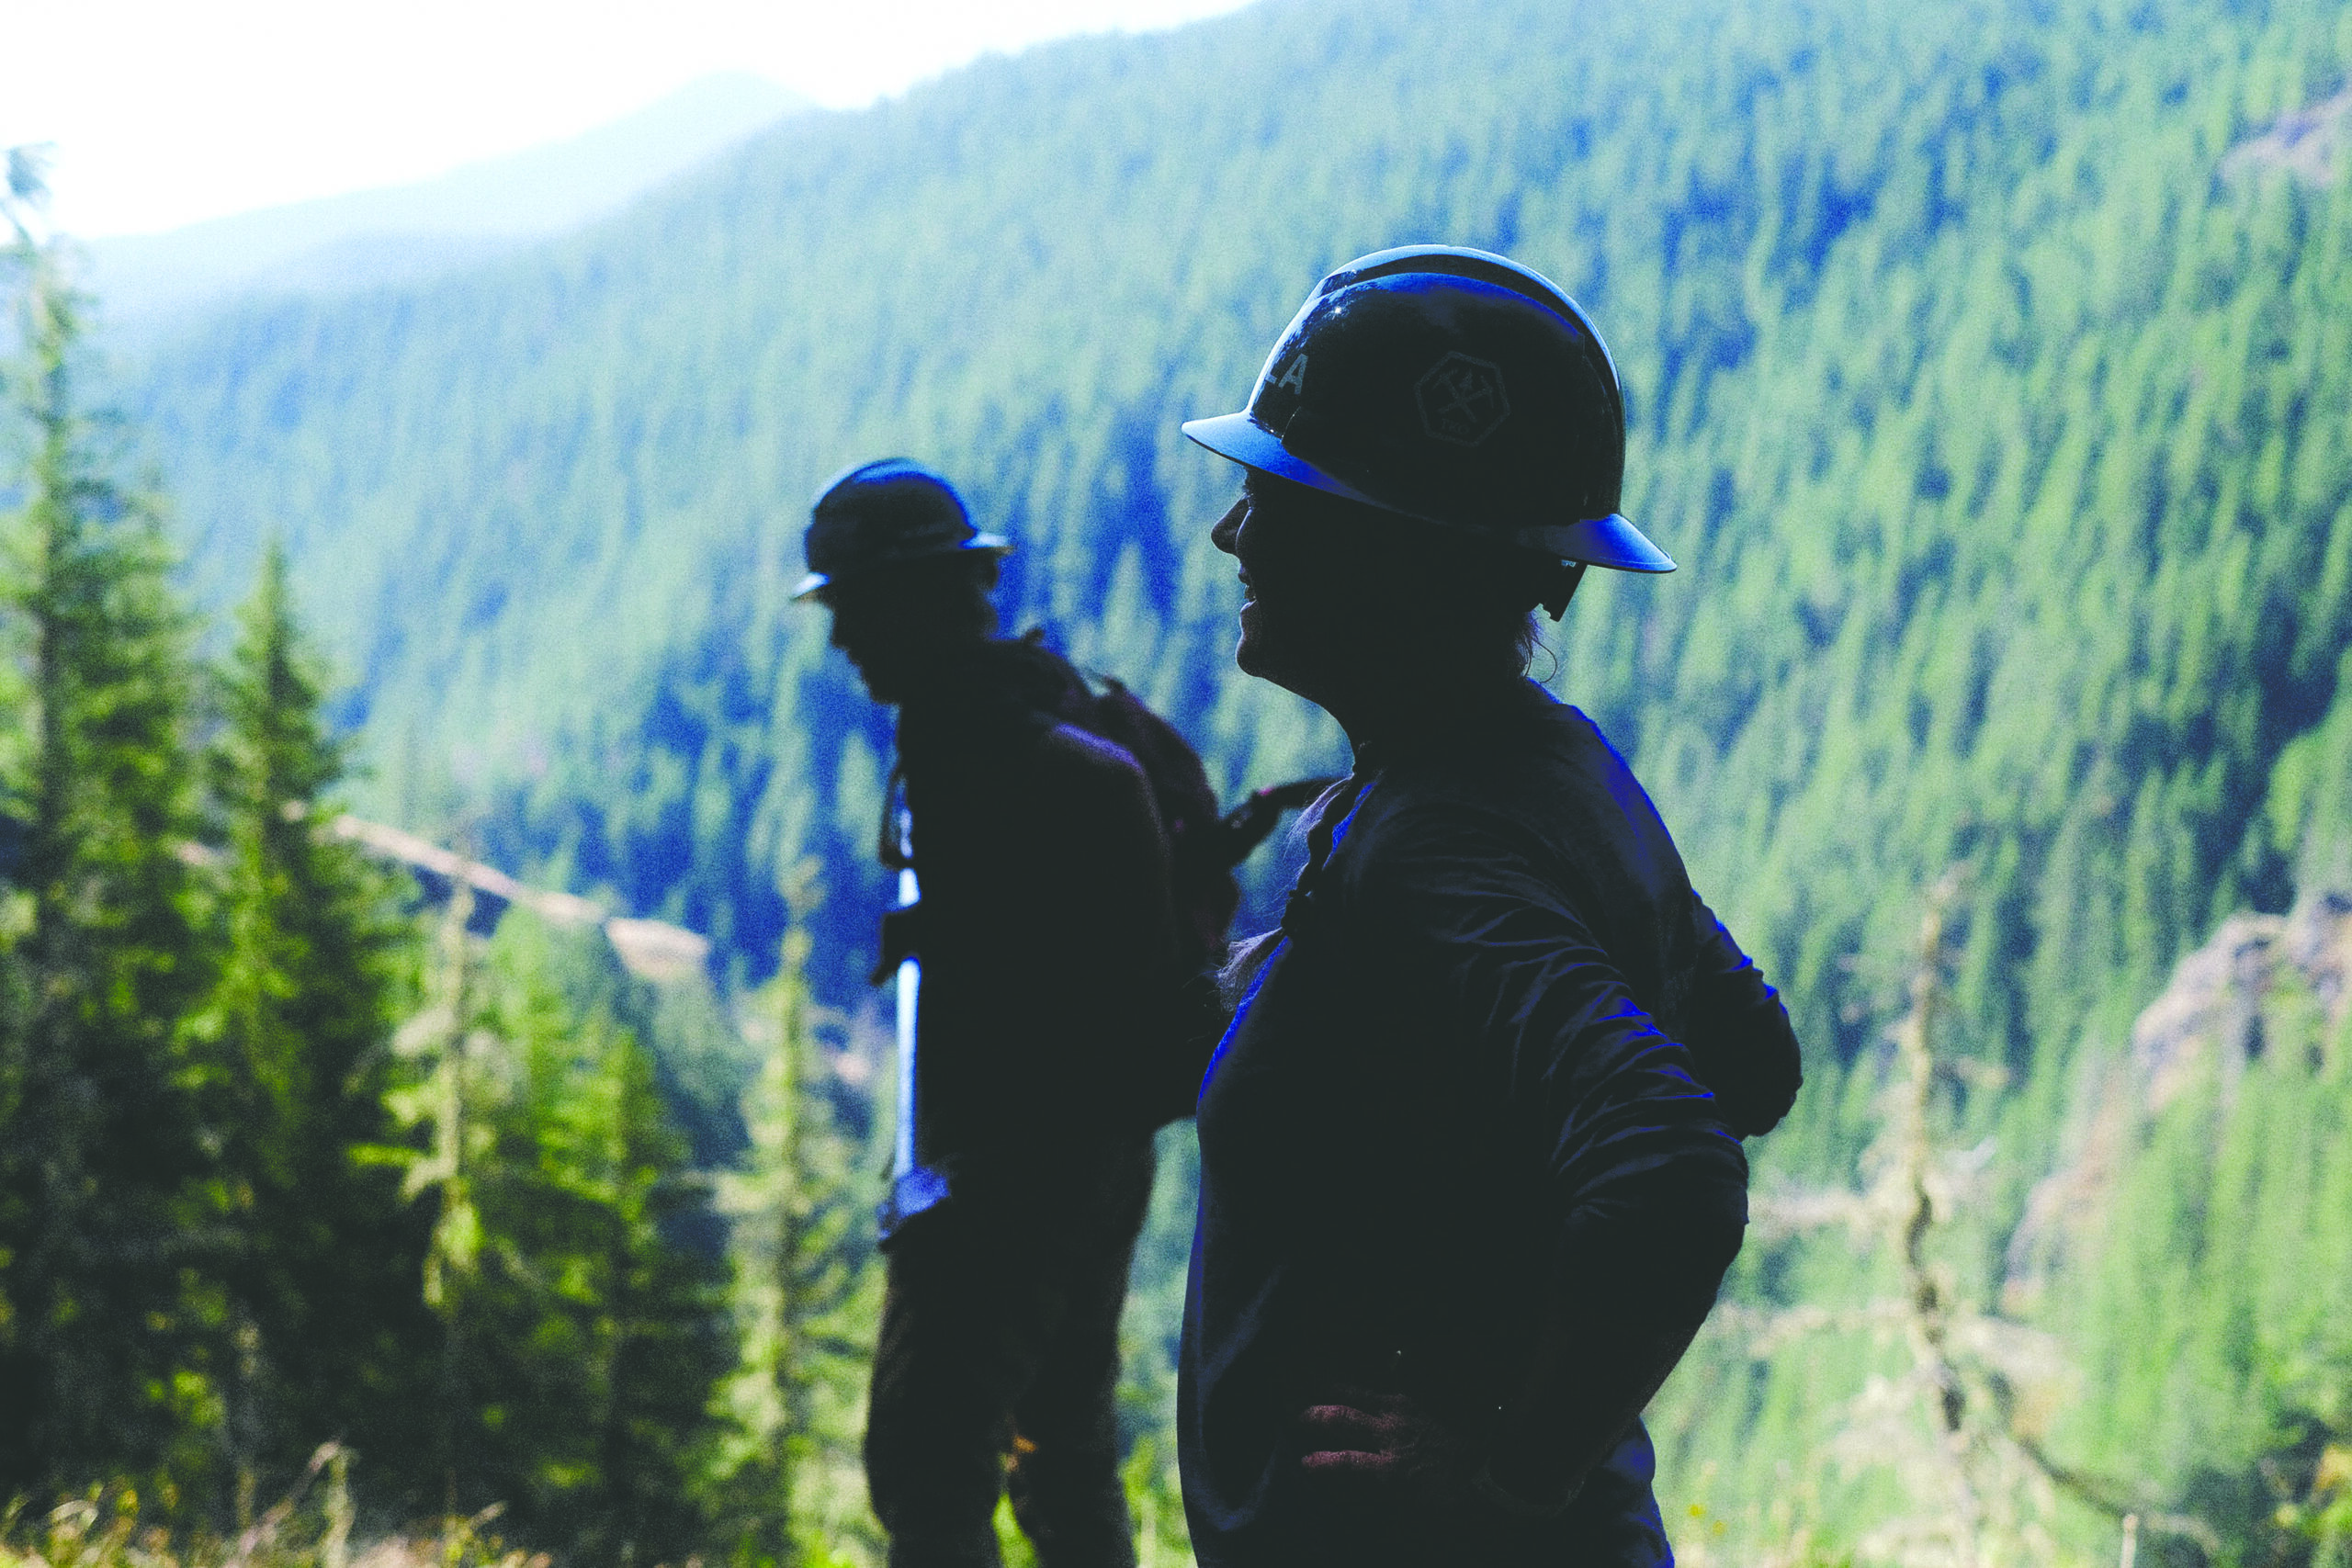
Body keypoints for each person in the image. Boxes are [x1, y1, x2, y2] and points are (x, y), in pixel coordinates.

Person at [1173, 245, 1805, 1567]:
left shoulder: (1436, 840)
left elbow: (1676, 1163)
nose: (1235, 530)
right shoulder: (1546, 767)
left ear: (1385, 552)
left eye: (1277, 493)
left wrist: (1512, 1476)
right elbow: (1749, 1052)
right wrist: (1303, 988)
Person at [795, 458, 1176, 1568]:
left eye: (853, 607)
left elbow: (1097, 820)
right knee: (1063, 1452)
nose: (840, 639)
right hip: (1089, 1155)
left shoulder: (1005, 746)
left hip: (1007, 1173)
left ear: (922, 596)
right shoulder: (995, 716)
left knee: (928, 1463)